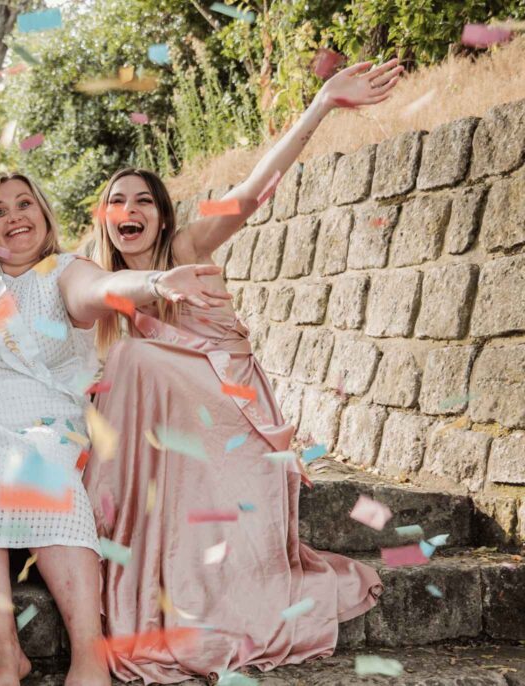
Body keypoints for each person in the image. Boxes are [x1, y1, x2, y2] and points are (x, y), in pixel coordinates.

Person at [81, 59, 403, 682]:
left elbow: (254, 191)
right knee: (121, 363)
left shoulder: (187, 247)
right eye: (116, 201)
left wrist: (321, 104)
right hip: (168, 436)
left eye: (143, 200)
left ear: (162, 216)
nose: (129, 209)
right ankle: (116, 530)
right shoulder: (100, 284)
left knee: (130, 356)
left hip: (232, 414)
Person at [0, 151, 231, 686]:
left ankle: (88, 654)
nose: (13, 217)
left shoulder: (66, 270)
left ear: (43, 214)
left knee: (43, 472)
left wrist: (152, 284)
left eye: (24, 204)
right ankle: (6, 655)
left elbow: (102, 290)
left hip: (46, 419)